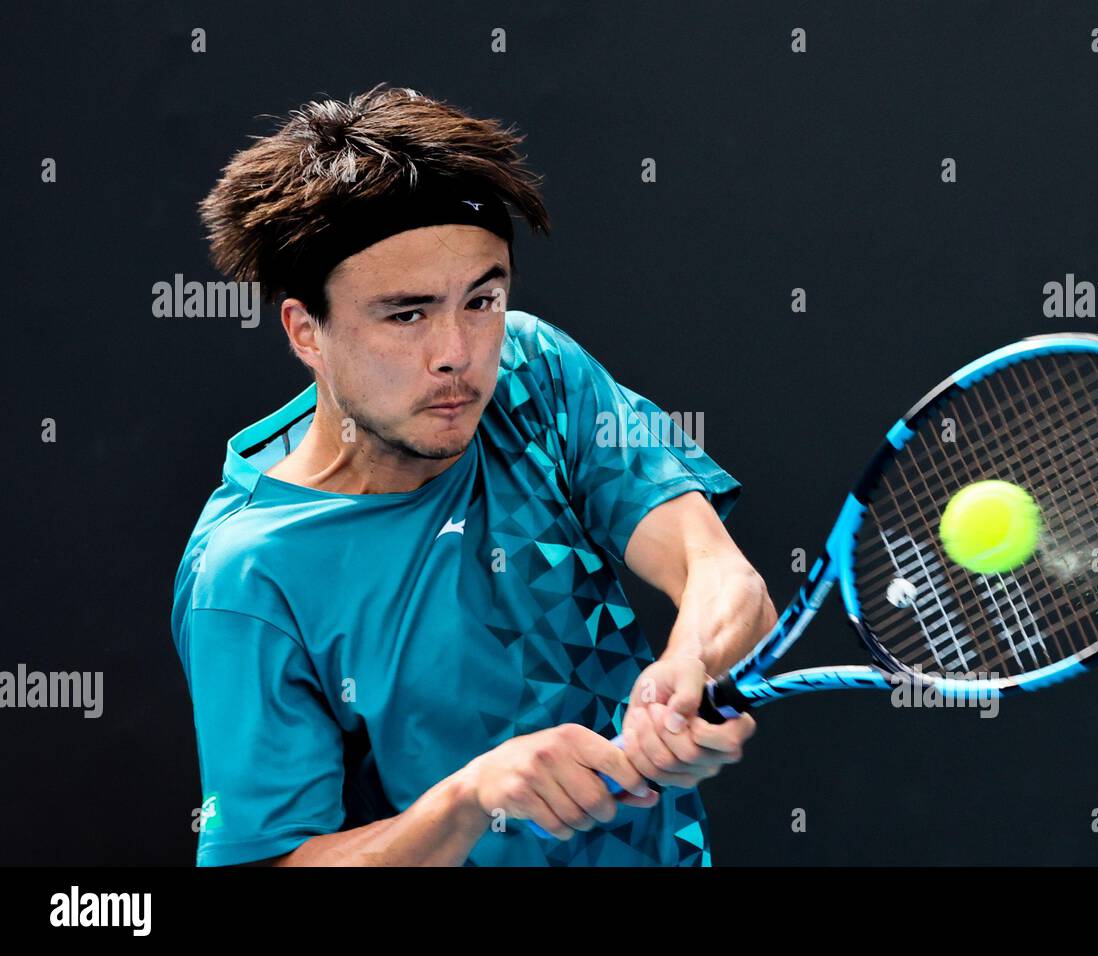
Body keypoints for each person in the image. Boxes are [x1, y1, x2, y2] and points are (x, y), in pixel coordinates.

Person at [170, 84, 777, 866]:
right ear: (306, 332)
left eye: (481, 300)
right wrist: (472, 797)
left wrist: (690, 669)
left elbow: (720, 575)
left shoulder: (535, 373)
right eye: (407, 313)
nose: (456, 352)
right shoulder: (247, 577)